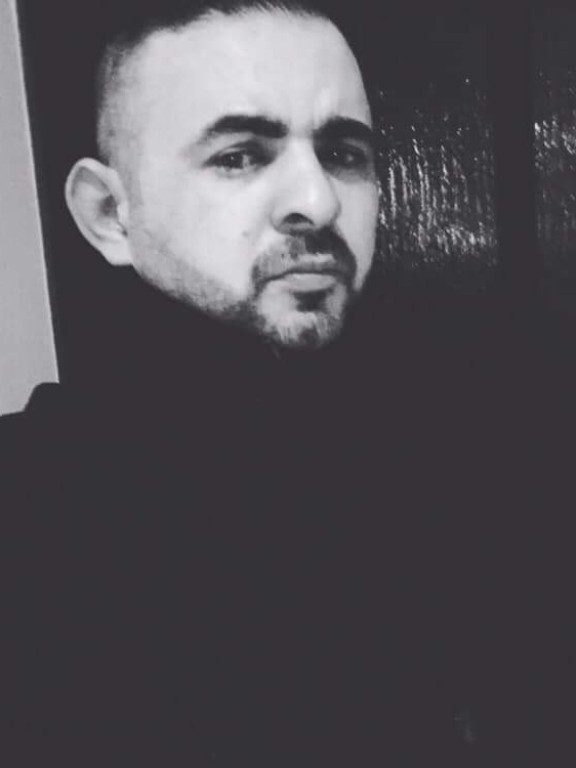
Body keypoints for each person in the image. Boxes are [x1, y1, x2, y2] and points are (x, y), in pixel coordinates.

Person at [1, 1, 518, 765]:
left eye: (344, 153)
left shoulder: (447, 471)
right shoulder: (30, 513)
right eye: (240, 155)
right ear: (110, 213)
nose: (319, 201)